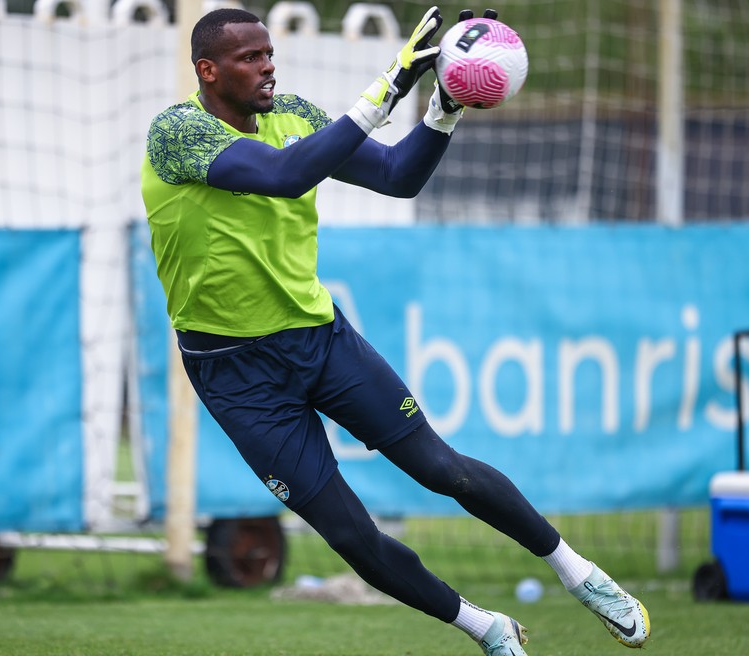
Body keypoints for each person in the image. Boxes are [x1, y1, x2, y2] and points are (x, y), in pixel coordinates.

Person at [140, 6, 651, 655]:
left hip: (320, 339)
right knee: (350, 536)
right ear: (207, 71)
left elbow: (396, 176)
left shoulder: (294, 114)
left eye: (269, 54)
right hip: (234, 373)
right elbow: (282, 176)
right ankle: (487, 629)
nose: (267, 67)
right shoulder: (177, 133)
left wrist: (443, 106)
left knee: (443, 468)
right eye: (250, 58)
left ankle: (582, 577)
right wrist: (389, 86)